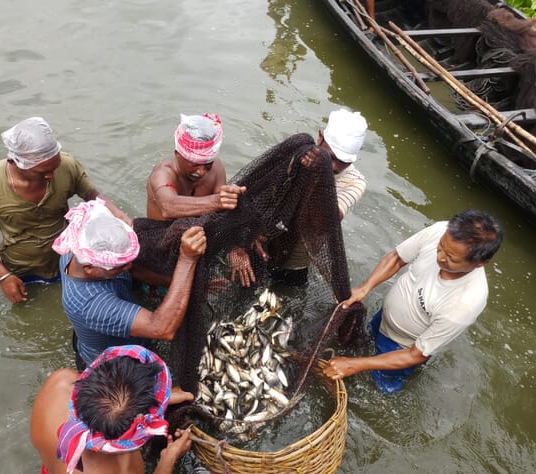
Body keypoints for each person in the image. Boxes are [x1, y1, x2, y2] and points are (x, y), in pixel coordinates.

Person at [323, 209, 503, 393]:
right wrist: (364, 288)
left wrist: (355, 365)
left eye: (451, 258)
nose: (440, 257)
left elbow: (415, 355)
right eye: (441, 247)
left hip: (402, 347)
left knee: (373, 388)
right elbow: (397, 258)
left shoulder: (466, 302)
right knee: (359, 343)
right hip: (383, 319)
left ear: (480, 263)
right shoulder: (441, 230)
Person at [0, 117, 132, 304]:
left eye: (54, 168)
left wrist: (116, 212)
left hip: (66, 258)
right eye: (42, 173)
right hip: (21, 266)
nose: (51, 175)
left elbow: (90, 194)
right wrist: (2, 275)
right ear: (15, 162)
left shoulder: (67, 166)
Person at [52, 197, 206, 371]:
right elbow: (163, 329)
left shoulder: (75, 243)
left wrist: (182, 283)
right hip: (114, 366)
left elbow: (132, 270)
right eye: (120, 265)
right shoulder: (91, 304)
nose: (129, 266)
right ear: (89, 268)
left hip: (100, 330)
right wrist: (187, 260)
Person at [229, 108, 368, 287]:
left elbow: (325, 223)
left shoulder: (355, 182)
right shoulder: (295, 154)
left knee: (285, 298)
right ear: (320, 137)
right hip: (260, 239)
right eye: (330, 156)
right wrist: (244, 238)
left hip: (295, 259)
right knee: (242, 284)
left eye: (343, 162)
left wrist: (315, 177)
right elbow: (255, 194)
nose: (334, 166)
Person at [30, 344, 193, 474]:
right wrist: (168, 459)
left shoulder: (61, 382)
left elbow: (110, 399)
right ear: (141, 426)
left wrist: (150, 400)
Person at [146, 113, 246, 221]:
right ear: (177, 154)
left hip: (200, 231)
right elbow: (168, 207)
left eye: (208, 164)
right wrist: (216, 201)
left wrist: (229, 196)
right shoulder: (162, 173)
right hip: (161, 234)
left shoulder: (217, 168)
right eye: (195, 164)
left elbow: (221, 207)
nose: (201, 172)